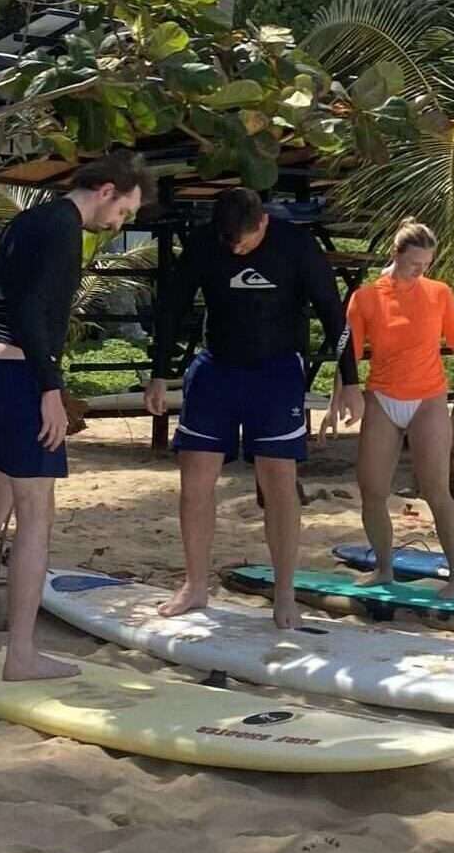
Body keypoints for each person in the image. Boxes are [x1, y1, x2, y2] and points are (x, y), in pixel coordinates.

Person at [0, 150, 151, 680]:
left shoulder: (28, 221)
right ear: (106, 191)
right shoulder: (63, 229)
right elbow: (34, 311)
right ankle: (21, 654)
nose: (119, 223)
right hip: (19, 377)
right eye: (124, 211)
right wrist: (50, 387)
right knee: (36, 515)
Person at [144, 188, 355, 629]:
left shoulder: (296, 245)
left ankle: (284, 593)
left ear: (262, 223)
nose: (237, 252)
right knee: (195, 479)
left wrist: (351, 380)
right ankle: (195, 584)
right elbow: (172, 305)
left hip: (276, 372)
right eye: (230, 245)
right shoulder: (207, 242)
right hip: (217, 368)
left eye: (244, 244)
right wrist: (159, 372)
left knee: (278, 481)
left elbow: (332, 312)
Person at [338, 219, 454, 597]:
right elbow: (348, 356)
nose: (420, 270)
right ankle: (383, 568)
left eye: (426, 264)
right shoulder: (366, 297)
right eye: (414, 264)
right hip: (382, 397)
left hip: (427, 398)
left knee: (436, 490)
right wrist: (339, 398)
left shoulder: (438, 293)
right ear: (395, 255)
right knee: (372, 490)